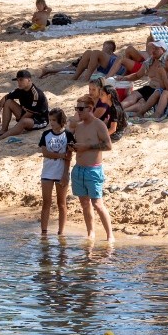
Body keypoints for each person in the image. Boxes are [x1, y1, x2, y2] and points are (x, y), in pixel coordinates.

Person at [68, 95, 114, 242]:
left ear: (90, 109)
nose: (78, 112)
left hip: (93, 170)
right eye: (76, 108)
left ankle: (110, 235)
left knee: (97, 204)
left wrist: (88, 147)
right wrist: (74, 147)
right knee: (84, 203)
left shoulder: (98, 125)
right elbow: (76, 145)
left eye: (81, 109)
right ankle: (91, 233)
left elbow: (108, 146)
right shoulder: (79, 127)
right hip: (79, 168)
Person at [38, 110, 74, 237]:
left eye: (54, 120)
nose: (51, 123)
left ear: (61, 121)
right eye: (50, 120)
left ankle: (61, 232)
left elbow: (69, 155)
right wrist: (60, 155)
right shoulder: (46, 134)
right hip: (47, 171)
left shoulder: (68, 134)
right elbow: (45, 153)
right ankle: (44, 232)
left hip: (61, 172)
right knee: (46, 202)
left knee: (61, 203)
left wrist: (65, 174)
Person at [0, 70, 49, 140]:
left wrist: (17, 126)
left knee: (23, 121)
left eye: (21, 80)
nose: (19, 83)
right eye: (17, 80)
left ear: (29, 80)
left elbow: (29, 114)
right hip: (26, 115)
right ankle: (3, 130)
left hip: (39, 120)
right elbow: (5, 98)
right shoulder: (20, 90)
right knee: (8, 102)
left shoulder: (36, 94)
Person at [44, 40, 120, 82]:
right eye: (104, 46)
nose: (105, 48)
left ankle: (85, 78)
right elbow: (76, 65)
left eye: (107, 46)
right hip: (97, 66)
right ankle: (74, 77)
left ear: (111, 49)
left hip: (108, 66)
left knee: (94, 53)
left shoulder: (112, 56)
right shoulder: (98, 55)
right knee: (88, 52)